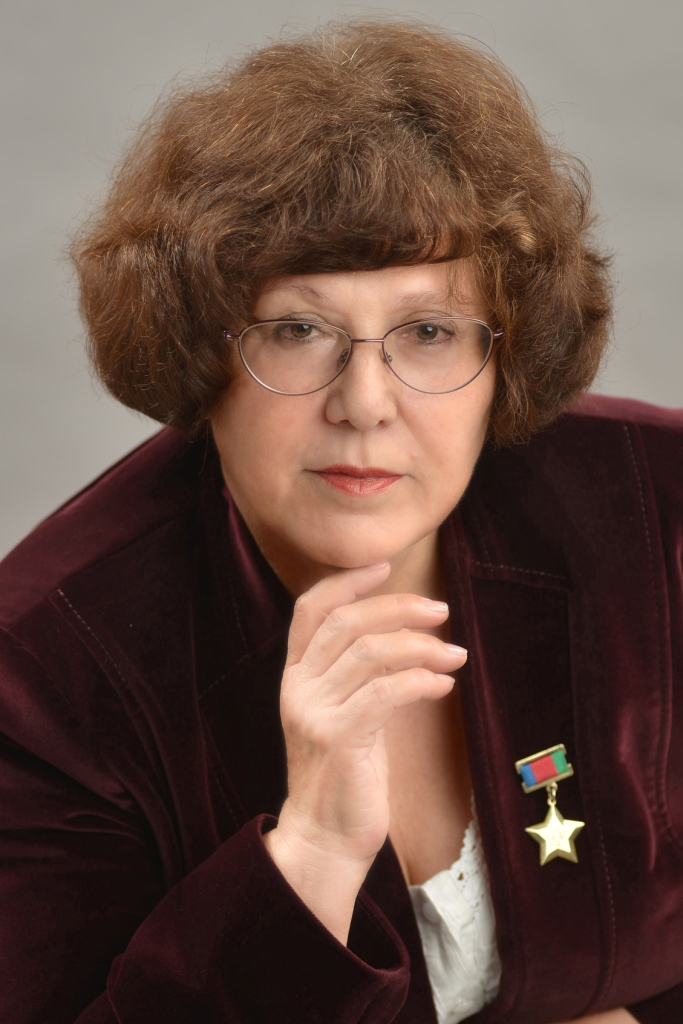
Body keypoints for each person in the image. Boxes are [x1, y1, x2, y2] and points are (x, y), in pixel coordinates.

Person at [0, 18, 681, 1024]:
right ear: (202, 351)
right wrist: (310, 853)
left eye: (428, 330)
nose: (364, 402)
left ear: (501, 359)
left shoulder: (659, 507)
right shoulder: (40, 674)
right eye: (297, 329)